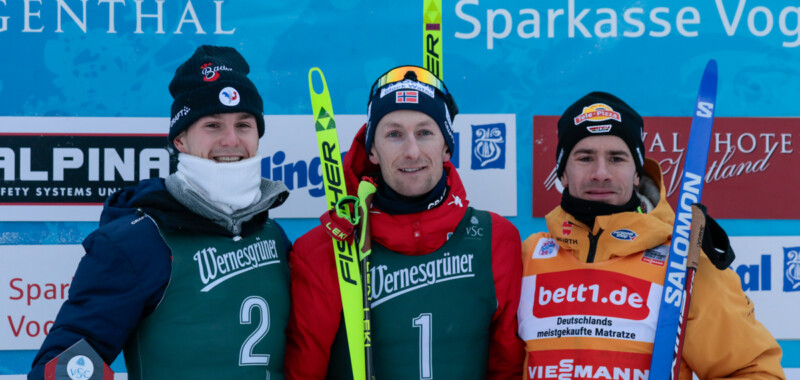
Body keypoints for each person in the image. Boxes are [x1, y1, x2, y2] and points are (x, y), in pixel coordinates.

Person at [29, 45, 291, 379]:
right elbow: (63, 363)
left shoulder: (272, 234)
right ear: (180, 140)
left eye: (244, 125)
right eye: (212, 125)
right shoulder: (137, 241)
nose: (230, 140)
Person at [518, 92, 785, 379]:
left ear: (636, 173)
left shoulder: (683, 260)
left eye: (617, 158)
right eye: (585, 158)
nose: (601, 173)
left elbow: (753, 371)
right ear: (562, 173)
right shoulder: (529, 256)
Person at [285, 65, 524, 379]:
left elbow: (507, 367)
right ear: (372, 149)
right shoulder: (327, 249)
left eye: (425, 132)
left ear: (446, 146)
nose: (412, 151)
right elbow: (304, 372)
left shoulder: (495, 238)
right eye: (394, 134)